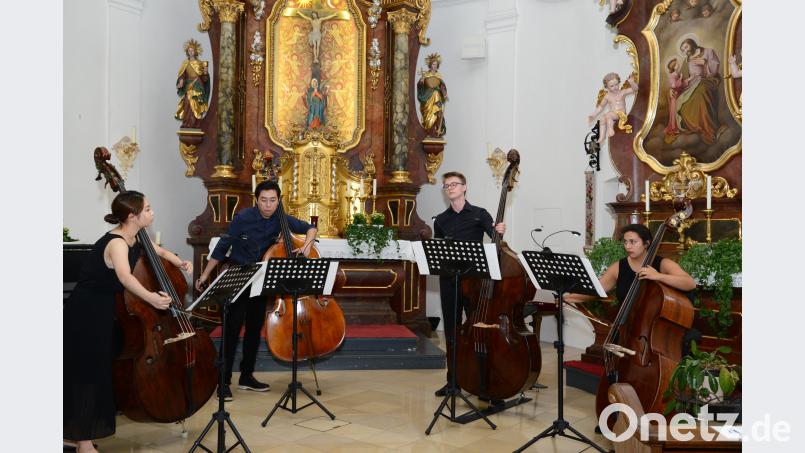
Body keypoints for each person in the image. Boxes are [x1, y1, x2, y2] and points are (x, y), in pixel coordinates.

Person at [64, 192, 191, 453]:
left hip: (106, 310)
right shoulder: (118, 243)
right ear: (132, 216)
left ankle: (70, 434)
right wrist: (152, 299)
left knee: (98, 369)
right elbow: (124, 277)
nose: (152, 212)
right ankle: (83, 443)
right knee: (88, 373)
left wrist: (181, 262)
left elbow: (161, 251)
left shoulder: (137, 237)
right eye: (148, 209)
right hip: (87, 312)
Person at [196, 180, 317, 401]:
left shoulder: (282, 219)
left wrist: (306, 246)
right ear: (256, 199)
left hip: (261, 279)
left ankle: (246, 376)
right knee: (231, 330)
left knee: (253, 329)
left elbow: (311, 228)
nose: (268, 205)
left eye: (272, 200)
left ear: (278, 201)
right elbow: (223, 247)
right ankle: (222, 382)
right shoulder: (243, 218)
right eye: (263, 200)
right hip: (239, 275)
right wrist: (205, 274)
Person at [432, 171, 505, 397]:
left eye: (454, 184)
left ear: (464, 187)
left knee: (477, 331)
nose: (450, 188)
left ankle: (482, 382)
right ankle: (453, 382)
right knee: (452, 333)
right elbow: (438, 252)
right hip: (449, 283)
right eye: (446, 186)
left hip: (474, 283)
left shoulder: (479, 214)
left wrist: (498, 231)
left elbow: (495, 238)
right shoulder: (441, 220)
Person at [565, 224, 696, 306]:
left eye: (633, 242)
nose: (628, 246)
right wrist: (569, 298)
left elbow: (690, 283)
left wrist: (658, 276)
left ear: (646, 243)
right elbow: (598, 290)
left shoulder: (663, 264)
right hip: (628, 325)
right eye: (626, 242)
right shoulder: (618, 267)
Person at [666, 38, 722, 145]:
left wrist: (705, 63)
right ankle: (700, 129)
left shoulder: (708, 52)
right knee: (683, 106)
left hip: (708, 81)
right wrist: (671, 89)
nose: (685, 51)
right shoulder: (686, 61)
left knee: (701, 93)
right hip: (691, 86)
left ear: (692, 44)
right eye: (683, 50)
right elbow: (680, 80)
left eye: (686, 47)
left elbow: (715, 71)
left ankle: (709, 129)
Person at [588, 72, 637, 144]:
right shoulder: (607, 96)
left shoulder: (622, 92)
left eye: (616, 84)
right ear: (606, 87)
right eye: (612, 86)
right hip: (613, 114)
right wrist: (593, 115)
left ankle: (610, 129)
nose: (615, 87)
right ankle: (602, 137)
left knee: (608, 115)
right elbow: (601, 107)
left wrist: (632, 82)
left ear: (619, 83)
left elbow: (635, 89)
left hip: (622, 114)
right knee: (602, 118)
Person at [175, 39, 210, 129]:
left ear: (195, 52)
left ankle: (196, 124)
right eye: (189, 51)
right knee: (187, 103)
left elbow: (205, 80)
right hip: (188, 87)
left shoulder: (200, 64)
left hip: (198, 87)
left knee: (196, 104)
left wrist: (205, 73)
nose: (191, 52)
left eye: (192, 50)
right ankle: (187, 122)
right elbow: (182, 75)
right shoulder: (185, 63)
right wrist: (181, 81)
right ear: (187, 52)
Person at [416, 53, 448, 138]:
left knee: (438, 113)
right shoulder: (426, 75)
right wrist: (421, 82)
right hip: (427, 98)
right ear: (430, 65)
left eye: (436, 64)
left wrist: (444, 94)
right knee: (428, 116)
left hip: (437, 99)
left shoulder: (439, 76)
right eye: (433, 64)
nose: (435, 66)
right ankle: (429, 132)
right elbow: (420, 86)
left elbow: (442, 86)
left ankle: (438, 130)